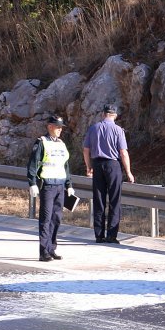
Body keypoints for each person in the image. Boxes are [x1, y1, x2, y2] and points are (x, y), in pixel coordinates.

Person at [83, 103, 134, 243]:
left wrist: (89, 167)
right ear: (115, 115)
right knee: (114, 200)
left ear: (103, 114)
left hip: (97, 164)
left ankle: (99, 235)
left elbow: (86, 150)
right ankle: (111, 235)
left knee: (99, 200)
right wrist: (129, 172)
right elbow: (123, 152)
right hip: (113, 165)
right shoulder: (118, 130)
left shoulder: (93, 128)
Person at [27, 115, 74, 262]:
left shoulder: (61, 144)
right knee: (45, 219)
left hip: (60, 185)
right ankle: (43, 252)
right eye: (57, 126)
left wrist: (69, 185)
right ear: (50, 127)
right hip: (47, 185)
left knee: (56, 218)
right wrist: (32, 183)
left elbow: (65, 166)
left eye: (61, 127)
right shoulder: (42, 142)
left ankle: (52, 248)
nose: (60, 129)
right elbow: (33, 164)